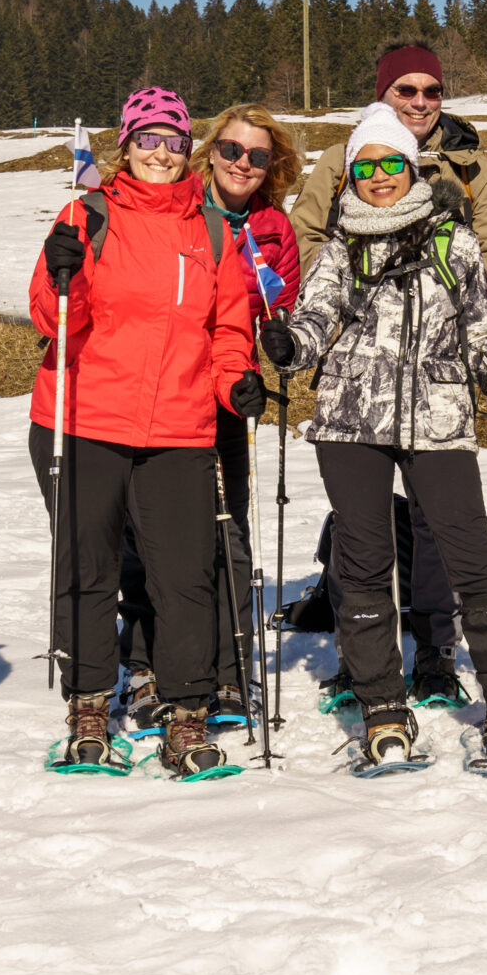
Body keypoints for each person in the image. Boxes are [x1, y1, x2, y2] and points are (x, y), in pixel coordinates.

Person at [259, 102, 487, 772]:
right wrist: (289, 345)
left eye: (390, 163)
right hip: (350, 419)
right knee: (363, 563)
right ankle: (382, 703)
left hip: (438, 417)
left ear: (410, 168)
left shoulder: (454, 241)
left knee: (472, 557)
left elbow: (478, 324)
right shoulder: (339, 246)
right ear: (350, 175)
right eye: (365, 167)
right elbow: (316, 318)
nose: (379, 176)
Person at [27, 87, 260, 779]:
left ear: (189, 150)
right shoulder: (86, 214)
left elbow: (227, 329)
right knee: (88, 568)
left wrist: (235, 382)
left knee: (184, 576)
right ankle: (89, 706)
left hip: (179, 425)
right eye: (147, 139)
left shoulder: (211, 230)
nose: (161, 152)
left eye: (174, 140)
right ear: (125, 146)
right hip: (84, 417)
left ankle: (186, 716)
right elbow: (51, 319)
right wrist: (65, 273)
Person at [183, 103, 305, 723]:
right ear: (211, 153)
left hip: (232, 390)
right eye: (231, 150)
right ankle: (158, 665)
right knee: (166, 535)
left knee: (229, 527)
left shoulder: (274, 228)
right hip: (171, 392)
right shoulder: (177, 209)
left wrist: (280, 343)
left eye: (257, 156)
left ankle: (232, 671)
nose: (242, 164)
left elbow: (284, 307)